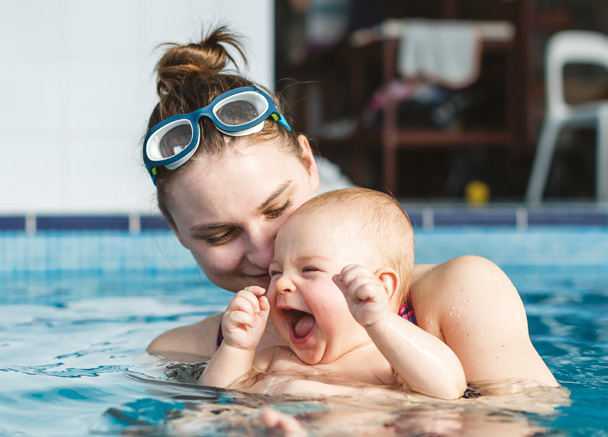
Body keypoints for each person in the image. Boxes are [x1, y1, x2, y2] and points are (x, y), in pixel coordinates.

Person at [144, 26, 557, 387]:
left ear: (309, 164)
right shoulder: (185, 352)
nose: (265, 250)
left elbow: (521, 421)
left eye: (276, 209)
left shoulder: (458, 295)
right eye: (220, 234)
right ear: (176, 230)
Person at [200, 188, 466, 400]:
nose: (281, 285)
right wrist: (236, 347)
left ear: (381, 288)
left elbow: (449, 388)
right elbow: (214, 399)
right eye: (275, 272)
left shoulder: (390, 363)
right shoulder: (273, 359)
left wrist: (381, 320)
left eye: (309, 269)